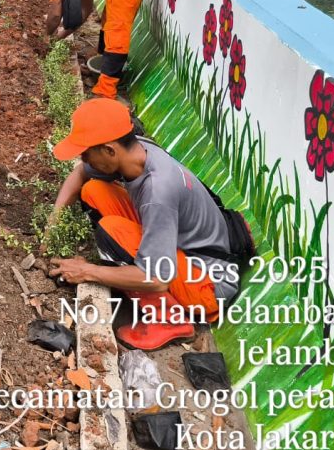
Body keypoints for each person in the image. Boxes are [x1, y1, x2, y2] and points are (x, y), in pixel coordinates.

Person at [46, 98, 243, 350]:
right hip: (183, 252)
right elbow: (81, 174)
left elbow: (158, 277)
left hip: (207, 285)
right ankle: (129, 268)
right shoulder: (138, 150)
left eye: (86, 152)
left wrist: (88, 271)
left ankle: (171, 320)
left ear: (109, 150)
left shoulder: (158, 192)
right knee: (94, 190)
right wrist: (54, 222)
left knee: (112, 232)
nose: (83, 159)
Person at [39, 0, 154, 99]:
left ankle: (106, 89)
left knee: (117, 27)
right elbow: (84, 12)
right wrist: (61, 36)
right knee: (108, 18)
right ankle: (102, 62)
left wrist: (47, 36)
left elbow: (56, 13)